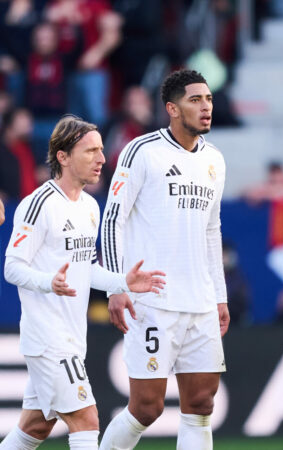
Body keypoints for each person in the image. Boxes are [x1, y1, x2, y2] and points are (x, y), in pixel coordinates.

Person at [0, 115, 165, 450]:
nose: (102, 159)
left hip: (72, 335)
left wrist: (123, 282)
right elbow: (12, 268)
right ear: (63, 156)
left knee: (36, 426)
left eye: (101, 150)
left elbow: (86, 269)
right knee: (86, 418)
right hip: (48, 338)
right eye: (90, 151)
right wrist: (50, 282)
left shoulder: (90, 207)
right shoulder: (38, 205)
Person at [99, 69, 229, 450]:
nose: (206, 107)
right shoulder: (142, 151)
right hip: (153, 302)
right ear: (172, 108)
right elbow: (112, 220)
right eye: (195, 100)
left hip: (201, 301)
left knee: (201, 404)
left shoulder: (215, 161)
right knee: (146, 408)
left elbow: (211, 230)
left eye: (208, 99)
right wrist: (115, 286)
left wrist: (219, 295)